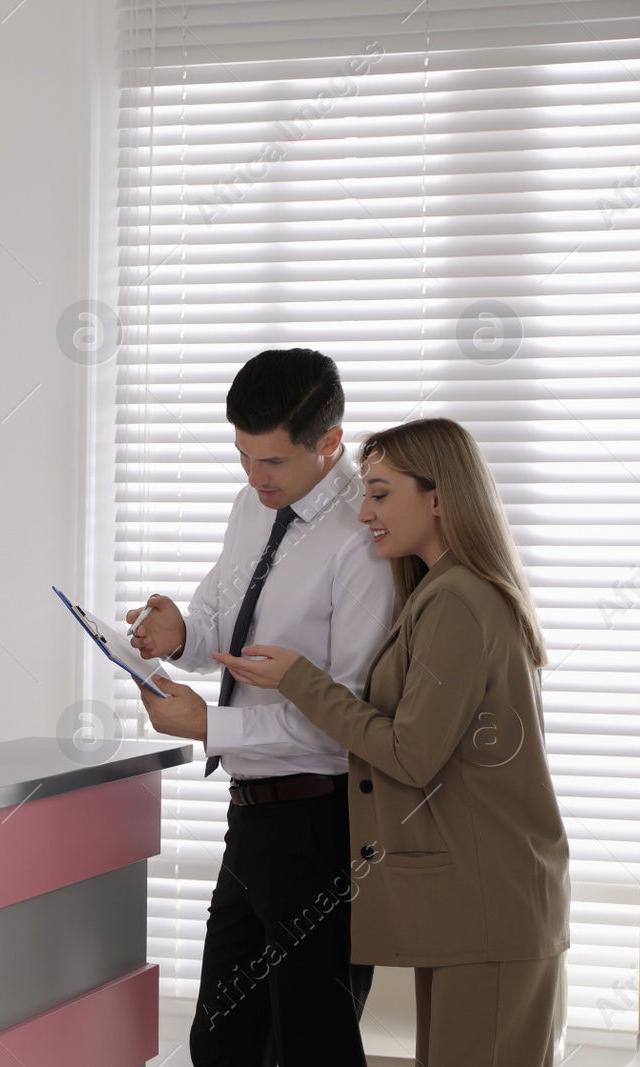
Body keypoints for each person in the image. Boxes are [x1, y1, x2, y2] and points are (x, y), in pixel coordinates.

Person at [212, 417, 569, 1067]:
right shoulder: (443, 592)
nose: (364, 512)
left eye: (379, 494)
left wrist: (300, 679)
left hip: (489, 909)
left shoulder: (460, 601)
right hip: (476, 908)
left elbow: (411, 752)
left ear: (438, 496)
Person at [128, 349, 397, 1066]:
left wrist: (208, 724)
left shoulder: (363, 537)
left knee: (312, 1042)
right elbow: (222, 624)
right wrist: (180, 632)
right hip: (252, 815)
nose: (255, 477)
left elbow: (344, 718)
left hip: (323, 820)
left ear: (330, 442)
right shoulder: (251, 507)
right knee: (221, 1040)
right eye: (244, 455)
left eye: (273, 460)